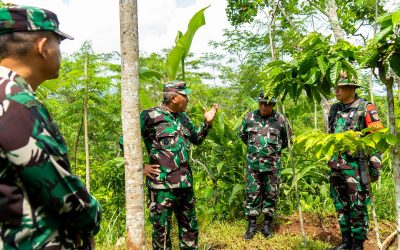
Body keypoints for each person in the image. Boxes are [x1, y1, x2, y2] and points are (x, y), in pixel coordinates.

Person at [0, 5, 101, 249]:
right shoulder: (14, 102)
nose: (60, 53)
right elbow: (64, 194)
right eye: (59, 44)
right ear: (43, 47)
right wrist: (92, 217)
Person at [141, 80, 218, 249]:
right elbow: (126, 140)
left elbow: (197, 139)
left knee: (190, 227)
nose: (188, 99)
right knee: (162, 231)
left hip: (185, 183)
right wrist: (141, 168)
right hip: (162, 186)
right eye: (185, 96)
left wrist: (207, 123)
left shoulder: (183, 117)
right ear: (174, 98)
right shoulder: (149, 116)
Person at [328, 76, 383, 250]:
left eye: (341, 88)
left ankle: (358, 244)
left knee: (357, 205)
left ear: (352, 89)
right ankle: (346, 241)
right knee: (340, 204)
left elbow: (376, 139)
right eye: (336, 87)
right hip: (337, 166)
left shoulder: (366, 108)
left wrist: (375, 168)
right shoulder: (334, 109)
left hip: (356, 167)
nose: (337, 91)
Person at [239, 92, 291, 240]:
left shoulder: (281, 120)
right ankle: (252, 227)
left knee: (271, 195)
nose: (263, 106)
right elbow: (243, 136)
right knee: (252, 194)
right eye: (261, 102)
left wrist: (272, 153)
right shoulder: (249, 118)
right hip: (253, 166)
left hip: (272, 166)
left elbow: (287, 140)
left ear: (273, 104)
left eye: (267, 103)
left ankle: (267, 226)